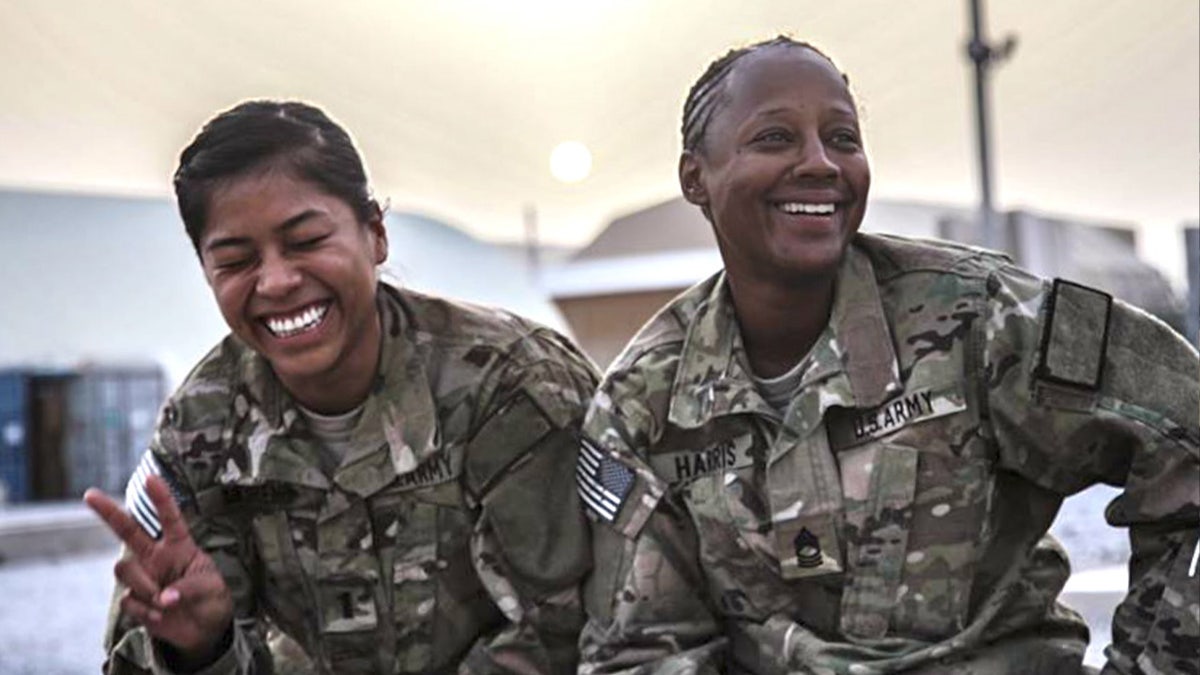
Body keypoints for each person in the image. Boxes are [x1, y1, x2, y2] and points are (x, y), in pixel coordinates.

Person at [576, 36, 1199, 674]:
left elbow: (1189, 429)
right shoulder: (643, 402)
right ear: (694, 178)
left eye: (842, 138)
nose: (819, 163)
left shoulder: (983, 317)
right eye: (775, 139)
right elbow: (644, 647)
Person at [84, 100, 599, 674]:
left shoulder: (512, 385)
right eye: (236, 261)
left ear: (375, 234)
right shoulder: (201, 429)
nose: (276, 281)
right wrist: (202, 648)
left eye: (305, 241)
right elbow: (132, 660)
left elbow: (574, 631)